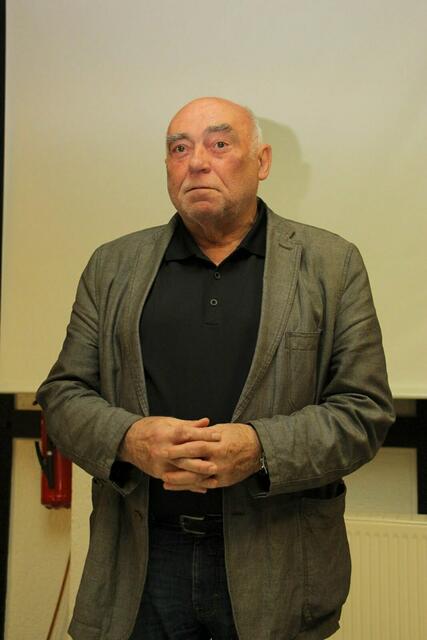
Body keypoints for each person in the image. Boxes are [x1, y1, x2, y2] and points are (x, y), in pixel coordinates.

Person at [37, 97, 395, 640]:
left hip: (275, 563)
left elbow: (364, 412)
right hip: (140, 563)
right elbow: (63, 394)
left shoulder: (331, 264)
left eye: (219, 144)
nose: (197, 162)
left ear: (262, 161)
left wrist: (259, 448)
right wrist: (130, 439)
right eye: (179, 149)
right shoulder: (112, 266)